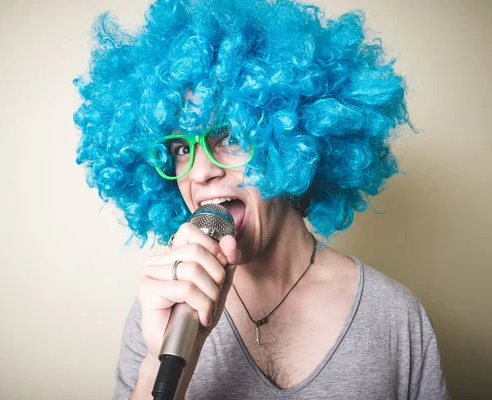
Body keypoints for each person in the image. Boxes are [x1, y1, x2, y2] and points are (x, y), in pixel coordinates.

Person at [74, 0, 450, 398]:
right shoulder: (161, 311)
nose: (200, 172)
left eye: (231, 138)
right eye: (181, 149)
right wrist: (160, 358)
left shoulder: (395, 317)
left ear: (292, 145)